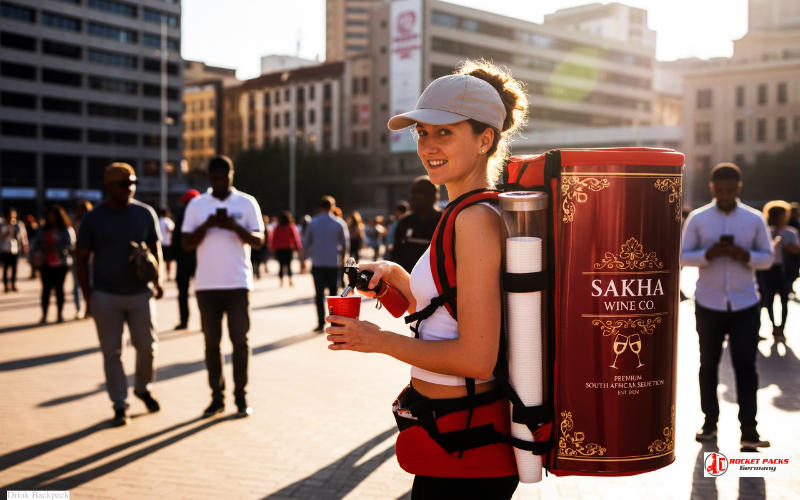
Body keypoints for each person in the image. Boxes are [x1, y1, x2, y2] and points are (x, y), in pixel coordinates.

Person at [325, 61, 527, 497]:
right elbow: (445, 316)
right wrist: (396, 277)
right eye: (421, 132)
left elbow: (476, 358)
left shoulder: (473, 218)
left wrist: (376, 340)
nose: (427, 145)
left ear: (485, 139)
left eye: (444, 132)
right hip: (451, 438)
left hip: (468, 450)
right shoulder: (463, 211)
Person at [681, 162, 774, 451]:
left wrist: (744, 255)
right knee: (708, 366)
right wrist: (709, 254)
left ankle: (749, 430)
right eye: (719, 190)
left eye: (730, 190)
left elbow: (767, 258)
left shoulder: (754, 219)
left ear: (738, 188)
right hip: (709, 303)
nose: (724, 195)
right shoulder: (698, 218)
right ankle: (709, 424)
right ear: (712, 188)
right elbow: (683, 256)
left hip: (745, 303)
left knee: (746, 366)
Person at [76, 163, 164, 427]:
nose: (130, 188)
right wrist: (88, 295)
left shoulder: (144, 213)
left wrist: (157, 279)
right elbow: (81, 258)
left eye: (132, 183)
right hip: (105, 295)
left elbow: (155, 247)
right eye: (123, 184)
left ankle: (142, 387)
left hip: (140, 293)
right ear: (109, 187)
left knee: (147, 346)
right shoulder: (94, 218)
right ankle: (119, 404)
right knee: (112, 352)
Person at [181, 155, 265, 418]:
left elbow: (259, 240)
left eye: (224, 178)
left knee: (240, 342)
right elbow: (185, 243)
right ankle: (216, 399)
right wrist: (208, 224)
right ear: (209, 178)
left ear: (232, 175)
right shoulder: (197, 205)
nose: (220, 183)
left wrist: (234, 227)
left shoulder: (246, 202)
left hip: (238, 284)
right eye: (215, 178)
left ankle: (241, 398)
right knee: (211, 344)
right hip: (206, 286)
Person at [302, 195, 349, 332]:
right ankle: (335, 323)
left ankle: (320, 322)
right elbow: (346, 244)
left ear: (320, 207)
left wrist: (303, 260)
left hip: (317, 263)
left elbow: (306, 243)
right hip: (333, 263)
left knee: (318, 294)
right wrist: (344, 261)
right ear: (333, 207)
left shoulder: (313, 222)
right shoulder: (339, 223)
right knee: (334, 295)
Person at [756, 200, 800, 342]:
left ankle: (782, 327)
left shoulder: (791, 232)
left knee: (784, 299)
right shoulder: (765, 232)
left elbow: (797, 250)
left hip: (784, 270)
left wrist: (785, 245)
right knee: (768, 299)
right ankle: (774, 325)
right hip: (767, 270)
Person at [389, 176, 442, 273]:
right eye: (413, 192)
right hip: (406, 281)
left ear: (432, 196)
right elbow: (395, 256)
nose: (413, 197)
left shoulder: (445, 222)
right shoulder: (404, 222)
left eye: (418, 192)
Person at [34, 205, 76, 323]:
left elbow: (71, 245)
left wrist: (57, 248)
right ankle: (44, 314)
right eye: (49, 215)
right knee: (46, 290)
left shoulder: (66, 229)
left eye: (53, 215)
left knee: (59, 289)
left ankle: (59, 314)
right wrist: (43, 248)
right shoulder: (42, 230)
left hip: (61, 264)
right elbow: (35, 244)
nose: (50, 218)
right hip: (45, 262)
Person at [172, 189, 200, 330]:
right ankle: (203, 321)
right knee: (200, 292)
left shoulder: (182, 217)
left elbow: (175, 241)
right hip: (196, 260)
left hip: (187, 260)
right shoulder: (201, 217)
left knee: (185, 293)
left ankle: (184, 320)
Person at [72, 200, 93, 318]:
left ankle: (89, 307)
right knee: (77, 285)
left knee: (90, 283)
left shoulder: (93, 223)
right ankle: (80, 308)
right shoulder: (76, 223)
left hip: (91, 258)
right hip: (77, 257)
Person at [270, 211, 302, 287]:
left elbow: (274, 239)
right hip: (288, 249)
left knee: (281, 265)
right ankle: (290, 280)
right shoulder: (291, 227)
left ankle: (281, 281)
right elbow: (295, 238)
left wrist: (272, 248)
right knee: (289, 265)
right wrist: (298, 247)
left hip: (279, 249)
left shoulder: (277, 228)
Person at [0, 208, 28, 293]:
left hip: (16, 248)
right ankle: (5, 285)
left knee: (14, 268)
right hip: (4, 249)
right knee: (5, 268)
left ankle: (13, 283)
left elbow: (23, 236)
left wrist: (25, 245)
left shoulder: (18, 224)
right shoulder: (2, 224)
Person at [158, 208, 176, 280]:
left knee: (161, 260)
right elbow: (171, 230)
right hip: (168, 243)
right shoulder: (167, 221)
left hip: (160, 243)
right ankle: (168, 275)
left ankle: (161, 275)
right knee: (169, 261)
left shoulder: (158, 220)